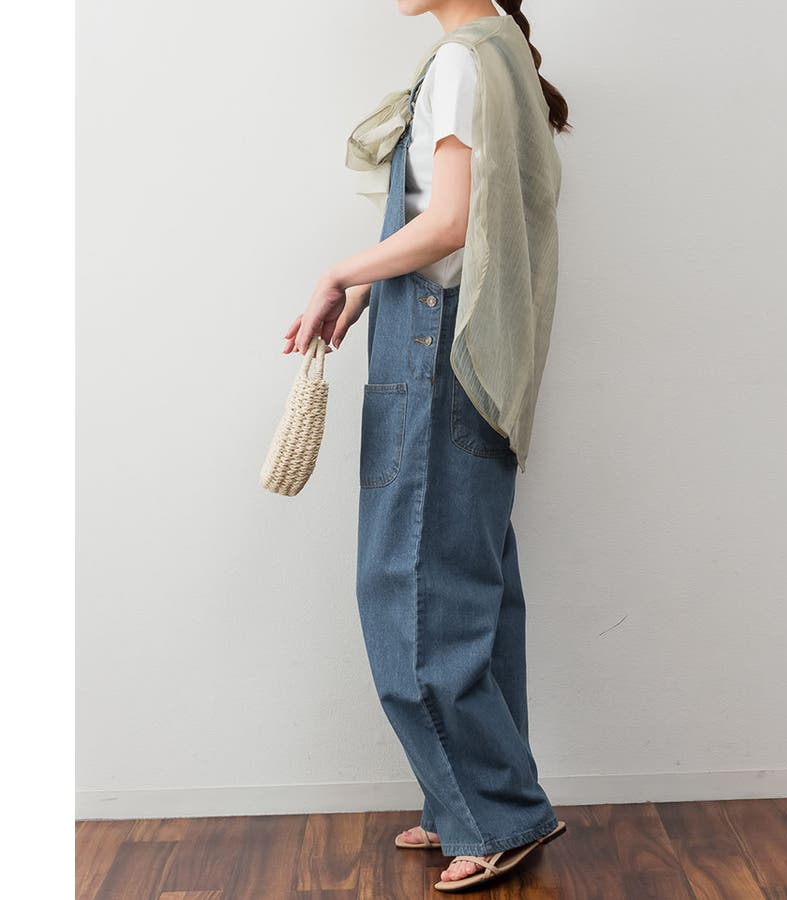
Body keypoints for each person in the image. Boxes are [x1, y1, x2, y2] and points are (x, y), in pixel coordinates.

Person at [282, 1, 571, 891]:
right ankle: (471, 804)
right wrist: (366, 295)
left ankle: (496, 814)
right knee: (468, 591)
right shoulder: (501, 52)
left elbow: (449, 226)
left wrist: (339, 271)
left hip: (435, 350)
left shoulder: (460, 63)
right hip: (467, 349)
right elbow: (460, 227)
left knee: (410, 587)